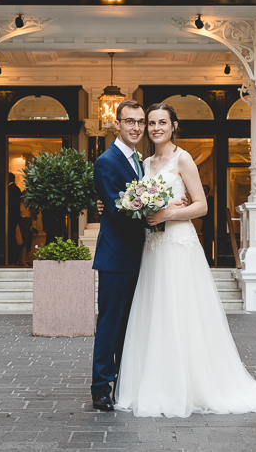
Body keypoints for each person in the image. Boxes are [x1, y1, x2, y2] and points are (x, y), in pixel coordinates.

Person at [115, 102, 256, 417]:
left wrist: (170, 212)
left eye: (162, 123)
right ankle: (157, 381)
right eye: (152, 123)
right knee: (155, 312)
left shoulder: (183, 159)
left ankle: (190, 384)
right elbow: (140, 203)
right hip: (154, 245)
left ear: (173, 126)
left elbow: (201, 206)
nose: (156, 128)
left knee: (181, 312)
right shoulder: (145, 163)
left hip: (178, 243)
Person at [90, 99, 149, 412]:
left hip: (139, 254)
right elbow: (116, 206)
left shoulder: (139, 159)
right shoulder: (107, 161)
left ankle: (123, 380)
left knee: (129, 323)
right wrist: (155, 208)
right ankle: (101, 387)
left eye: (140, 122)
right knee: (110, 324)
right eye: (130, 121)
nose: (136, 127)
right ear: (117, 124)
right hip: (116, 256)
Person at [200, 184, 215, 264]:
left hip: (213, 225)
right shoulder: (202, 200)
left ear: (208, 191)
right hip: (205, 226)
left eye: (205, 190)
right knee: (207, 244)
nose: (203, 192)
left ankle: (214, 260)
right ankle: (208, 260)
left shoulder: (213, 199)